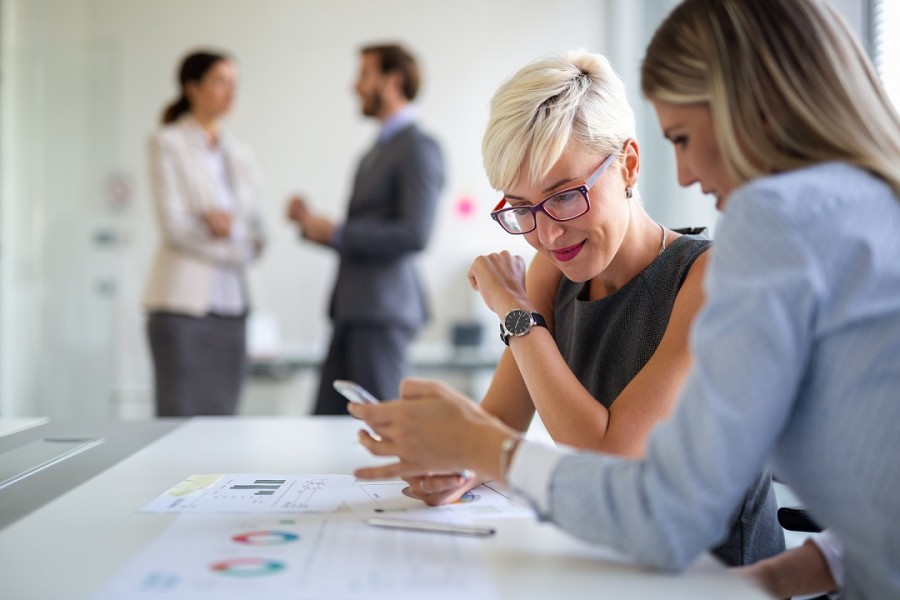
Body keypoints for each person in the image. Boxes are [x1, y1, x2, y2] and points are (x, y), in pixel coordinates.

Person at [350, 1, 900, 598]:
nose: (685, 174)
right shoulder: (856, 214)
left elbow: (635, 484)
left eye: (683, 138)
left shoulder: (750, 240)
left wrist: (507, 349)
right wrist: (455, 453)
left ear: (628, 164)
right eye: (523, 207)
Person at [397, 50, 782, 567]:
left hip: (721, 575)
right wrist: (456, 465)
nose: (548, 233)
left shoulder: (710, 277)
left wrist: (516, 313)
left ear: (628, 164)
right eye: (521, 207)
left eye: (564, 196)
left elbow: (608, 458)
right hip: (618, 560)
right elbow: (502, 421)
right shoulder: (553, 272)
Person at [286, 43, 444, 415]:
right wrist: (317, 229)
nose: (354, 86)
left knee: (382, 424)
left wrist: (339, 232)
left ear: (393, 81)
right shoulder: (376, 151)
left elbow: (415, 234)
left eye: (363, 75)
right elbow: (367, 229)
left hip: (381, 312)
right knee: (326, 425)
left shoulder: (418, 148)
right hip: (353, 310)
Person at [144, 50, 267, 417]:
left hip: (233, 309)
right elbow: (175, 227)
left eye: (234, 84)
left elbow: (261, 231)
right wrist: (233, 244)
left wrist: (228, 232)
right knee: (179, 414)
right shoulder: (167, 143)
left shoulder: (241, 155)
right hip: (182, 309)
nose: (230, 92)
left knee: (224, 417)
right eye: (220, 82)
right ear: (192, 87)